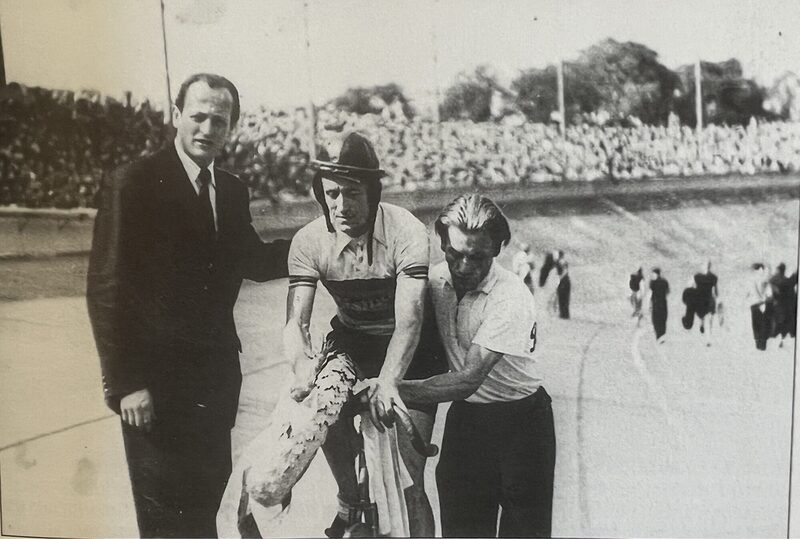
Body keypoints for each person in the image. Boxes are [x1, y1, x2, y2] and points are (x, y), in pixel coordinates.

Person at [86, 73, 291, 538]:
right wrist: (126, 382)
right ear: (176, 116)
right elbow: (107, 288)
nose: (207, 128)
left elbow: (254, 259)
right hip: (153, 391)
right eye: (197, 116)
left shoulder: (233, 190)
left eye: (219, 120)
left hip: (214, 385)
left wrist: (320, 241)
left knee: (205, 512)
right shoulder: (132, 182)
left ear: (231, 126)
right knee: (165, 522)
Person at [283, 132, 446, 537]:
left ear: (374, 192)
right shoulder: (308, 241)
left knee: (409, 478)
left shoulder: (405, 230)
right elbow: (295, 324)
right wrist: (302, 366)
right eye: (332, 194)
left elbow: (409, 322)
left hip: (410, 346)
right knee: (321, 407)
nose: (342, 206)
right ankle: (349, 497)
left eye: (353, 193)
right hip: (353, 340)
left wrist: (389, 381)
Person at [399, 194, 555, 538]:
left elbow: (468, 378)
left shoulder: (511, 297)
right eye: (454, 254)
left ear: (498, 249)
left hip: (523, 426)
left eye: (478, 257)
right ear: (441, 243)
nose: (465, 267)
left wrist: (390, 388)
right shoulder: (434, 282)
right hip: (468, 422)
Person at [747, 263, 773, 351]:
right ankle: (759, 270)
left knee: (763, 286)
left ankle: (764, 269)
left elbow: (769, 321)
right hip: (758, 307)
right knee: (758, 287)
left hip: (764, 307)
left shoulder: (767, 335)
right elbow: (755, 323)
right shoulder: (757, 336)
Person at [693, 261, 719, 344]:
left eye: (708, 265)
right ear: (702, 266)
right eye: (705, 265)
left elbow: (715, 290)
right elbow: (693, 287)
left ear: (709, 266)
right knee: (702, 316)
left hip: (709, 299)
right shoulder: (697, 276)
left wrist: (716, 298)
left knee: (710, 318)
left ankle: (708, 339)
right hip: (701, 299)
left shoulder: (713, 277)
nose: (706, 267)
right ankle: (702, 324)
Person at [769, 263, 794, 347]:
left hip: (779, 304)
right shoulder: (785, 280)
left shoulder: (775, 279)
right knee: (781, 321)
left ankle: (779, 337)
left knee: (779, 320)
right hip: (782, 305)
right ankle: (780, 337)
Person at [648, 268, 670, 343]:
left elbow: (651, 294)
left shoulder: (652, 283)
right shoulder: (664, 281)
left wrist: (650, 304)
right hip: (663, 303)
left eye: (653, 274)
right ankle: (662, 336)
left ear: (657, 274)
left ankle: (659, 337)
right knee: (662, 320)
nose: (652, 275)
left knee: (656, 320)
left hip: (656, 304)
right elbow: (668, 291)